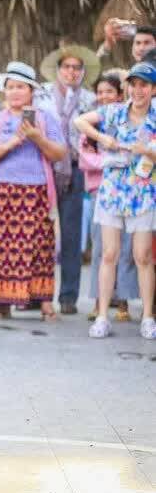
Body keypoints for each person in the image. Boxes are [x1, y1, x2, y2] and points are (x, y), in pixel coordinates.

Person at [75, 62, 156, 340]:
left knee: (142, 256)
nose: (138, 90)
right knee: (108, 254)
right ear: (127, 87)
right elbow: (80, 121)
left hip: (144, 191)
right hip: (112, 189)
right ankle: (101, 316)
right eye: (133, 84)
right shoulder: (114, 111)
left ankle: (147, 316)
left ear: (153, 89)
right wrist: (102, 138)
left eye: (144, 85)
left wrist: (148, 151)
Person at [0, 62, 67, 320]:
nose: (14, 92)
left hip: (37, 190)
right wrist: (14, 142)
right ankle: (3, 303)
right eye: (10, 87)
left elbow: (60, 153)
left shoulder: (44, 118)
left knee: (41, 246)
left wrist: (37, 137)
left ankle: (44, 302)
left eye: (20, 87)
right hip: (5, 190)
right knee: (6, 249)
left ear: (31, 91)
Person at [36, 44, 100, 315]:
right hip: (44, 168)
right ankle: (37, 294)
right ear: (58, 70)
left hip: (74, 168)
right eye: (67, 67)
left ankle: (68, 296)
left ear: (83, 72)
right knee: (39, 233)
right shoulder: (42, 94)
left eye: (76, 68)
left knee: (72, 234)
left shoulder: (89, 99)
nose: (71, 72)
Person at [80, 74, 137, 322]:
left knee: (126, 249)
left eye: (109, 92)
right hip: (98, 193)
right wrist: (109, 160)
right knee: (102, 250)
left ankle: (123, 301)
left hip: (128, 190)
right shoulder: (92, 128)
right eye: (100, 92)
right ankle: (98, 301)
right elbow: (85, 158)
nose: (104, 96)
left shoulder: (127, 121)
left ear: (120, 96)